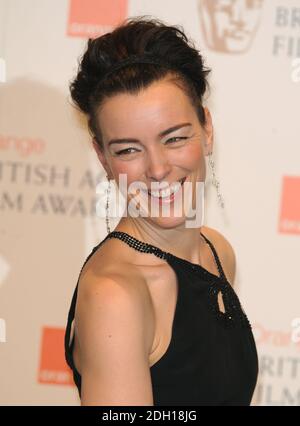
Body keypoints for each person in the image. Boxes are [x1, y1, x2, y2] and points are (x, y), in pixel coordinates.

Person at [64, 15, 258, 406]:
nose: (156, 170)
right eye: (129, 149)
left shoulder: (215, 253)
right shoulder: (114, 297)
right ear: (102, 156)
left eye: (174, 138)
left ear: (206, 129)